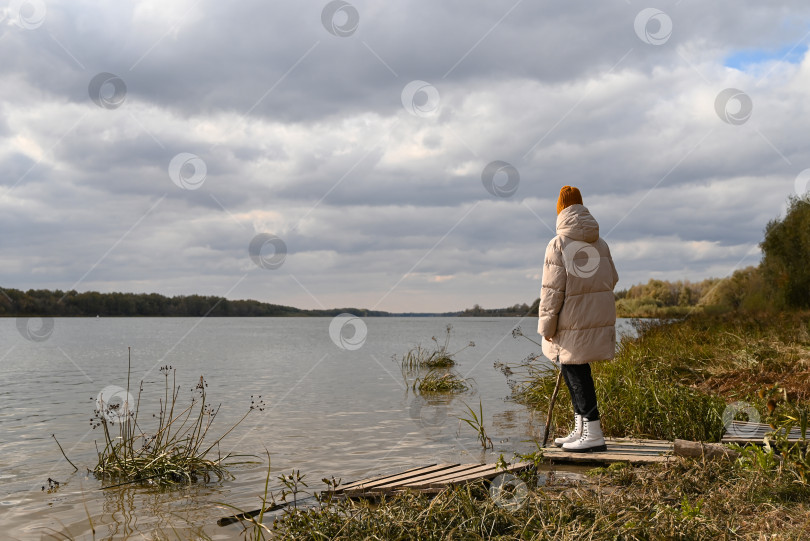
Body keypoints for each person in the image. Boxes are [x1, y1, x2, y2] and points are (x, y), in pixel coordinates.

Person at [538, 186, 618, 452]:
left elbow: (552, 291)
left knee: (576, 372)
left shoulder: (558, 243)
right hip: (594, 316)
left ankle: (593, 431)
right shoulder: (601, 243)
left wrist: (546, 326)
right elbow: (612, 278)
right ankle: (581, 427)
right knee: (574, 371)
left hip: (569, 320)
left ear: (560, 210)